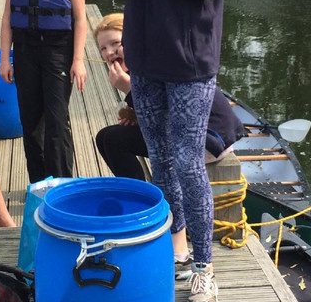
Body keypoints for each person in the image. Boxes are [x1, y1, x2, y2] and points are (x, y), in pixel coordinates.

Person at [100, 0, 231, 302]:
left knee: (187, 159)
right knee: (159, 157)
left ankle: (205, 268)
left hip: (190, 59)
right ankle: (175, 248)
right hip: (146, 56)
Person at [93, 13, 244, 188]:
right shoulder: (138, 64)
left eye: (116, 43)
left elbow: (162, 116)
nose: (109, 52)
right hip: (188, 131)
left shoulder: (155, 62)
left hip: (206, 140)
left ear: (132, 39)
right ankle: (136, 192)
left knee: (114, 140)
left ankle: (141, 197)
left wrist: (128, 90)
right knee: (104, 136)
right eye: (103, 48)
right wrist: (135, 115)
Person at [0, 0, 88, 183]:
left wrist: (78, 60)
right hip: (25, 51)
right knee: (30, 122)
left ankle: (61, 185)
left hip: (57, 52)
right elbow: (7, 17)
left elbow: (80, 19)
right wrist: (5, 59)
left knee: (57, 121)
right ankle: (38, 184)